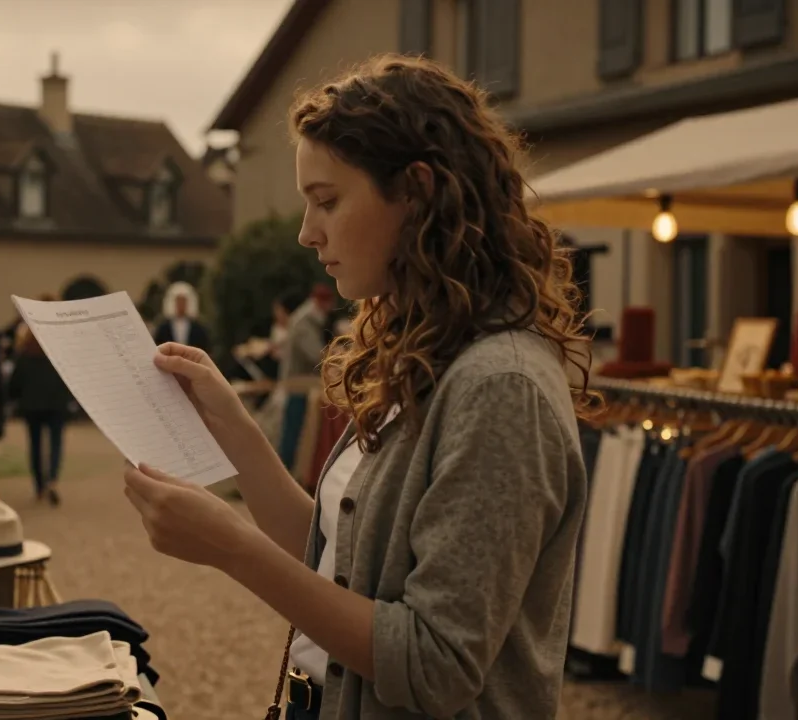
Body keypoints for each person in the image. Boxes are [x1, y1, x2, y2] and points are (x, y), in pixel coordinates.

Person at [122, 54, 592, 720]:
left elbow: (436, 665)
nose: (307, 233)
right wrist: (232, 422)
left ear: (418, 193)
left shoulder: (501, 387)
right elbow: (329, 561)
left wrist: (231, 548)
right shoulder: (427, 349)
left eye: (328, 201)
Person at [8, 301, 72, 506]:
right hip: (56, 403)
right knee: (55, 443)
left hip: (32, 404)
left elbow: (16, 380)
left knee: (35, 446)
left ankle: (39, 486)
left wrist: (14, 397)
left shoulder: (25, 351)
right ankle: (52, 479)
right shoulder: (59, 349)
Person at [277, 283, 336, 469]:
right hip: (299, 384)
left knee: (296, 432)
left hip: (302, 383)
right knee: (294, 433)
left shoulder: (308, 319)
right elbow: (315, 354)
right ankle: (284, 474)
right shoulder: (305, 322)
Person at [153, 282, 210, 351]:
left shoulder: (199, 328)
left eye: (183, 301)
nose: (181, 304)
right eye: (178, 301)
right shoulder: (163, 328)